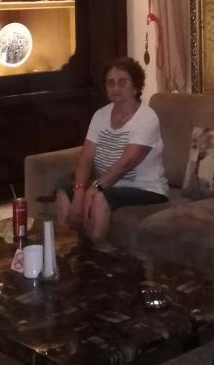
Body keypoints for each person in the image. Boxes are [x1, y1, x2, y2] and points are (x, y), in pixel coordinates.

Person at [55, 57, 168, 240]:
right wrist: (79, 191)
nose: (116, 88)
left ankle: (95, 253)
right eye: (111, 83)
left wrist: (94, 188)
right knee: (64, 194)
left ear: (136, 87)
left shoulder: (147, 118)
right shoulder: (100, 115)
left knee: (99, 199)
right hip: (109, 187)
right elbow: (85, 158)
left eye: (122, 82)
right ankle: (68, 251)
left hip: (146, 189)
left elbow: (125, 163)